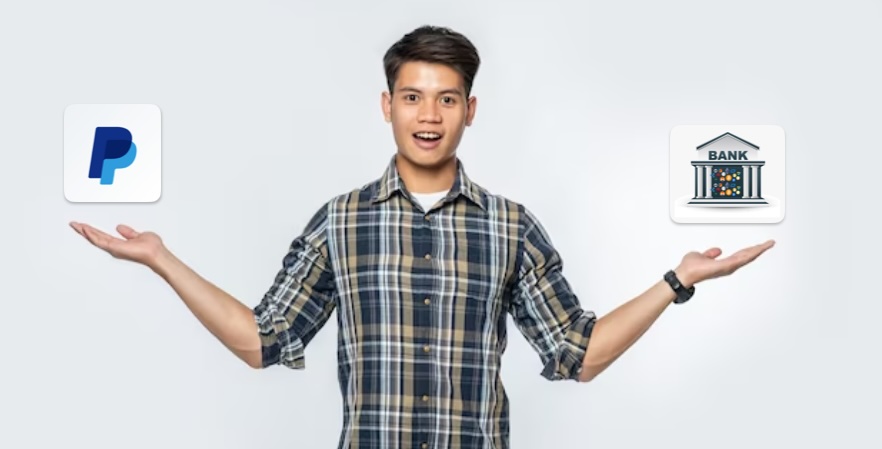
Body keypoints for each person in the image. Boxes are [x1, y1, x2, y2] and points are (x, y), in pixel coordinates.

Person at [70, 25, 775, 449]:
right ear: (388, 106)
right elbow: (264, 338)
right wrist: (162, 260)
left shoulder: (511, 226)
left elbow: (578, 354)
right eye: (412, 96)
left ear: (471, 109)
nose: (428, 115)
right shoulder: (340, 220)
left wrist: (677, 280)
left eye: (445, 98)